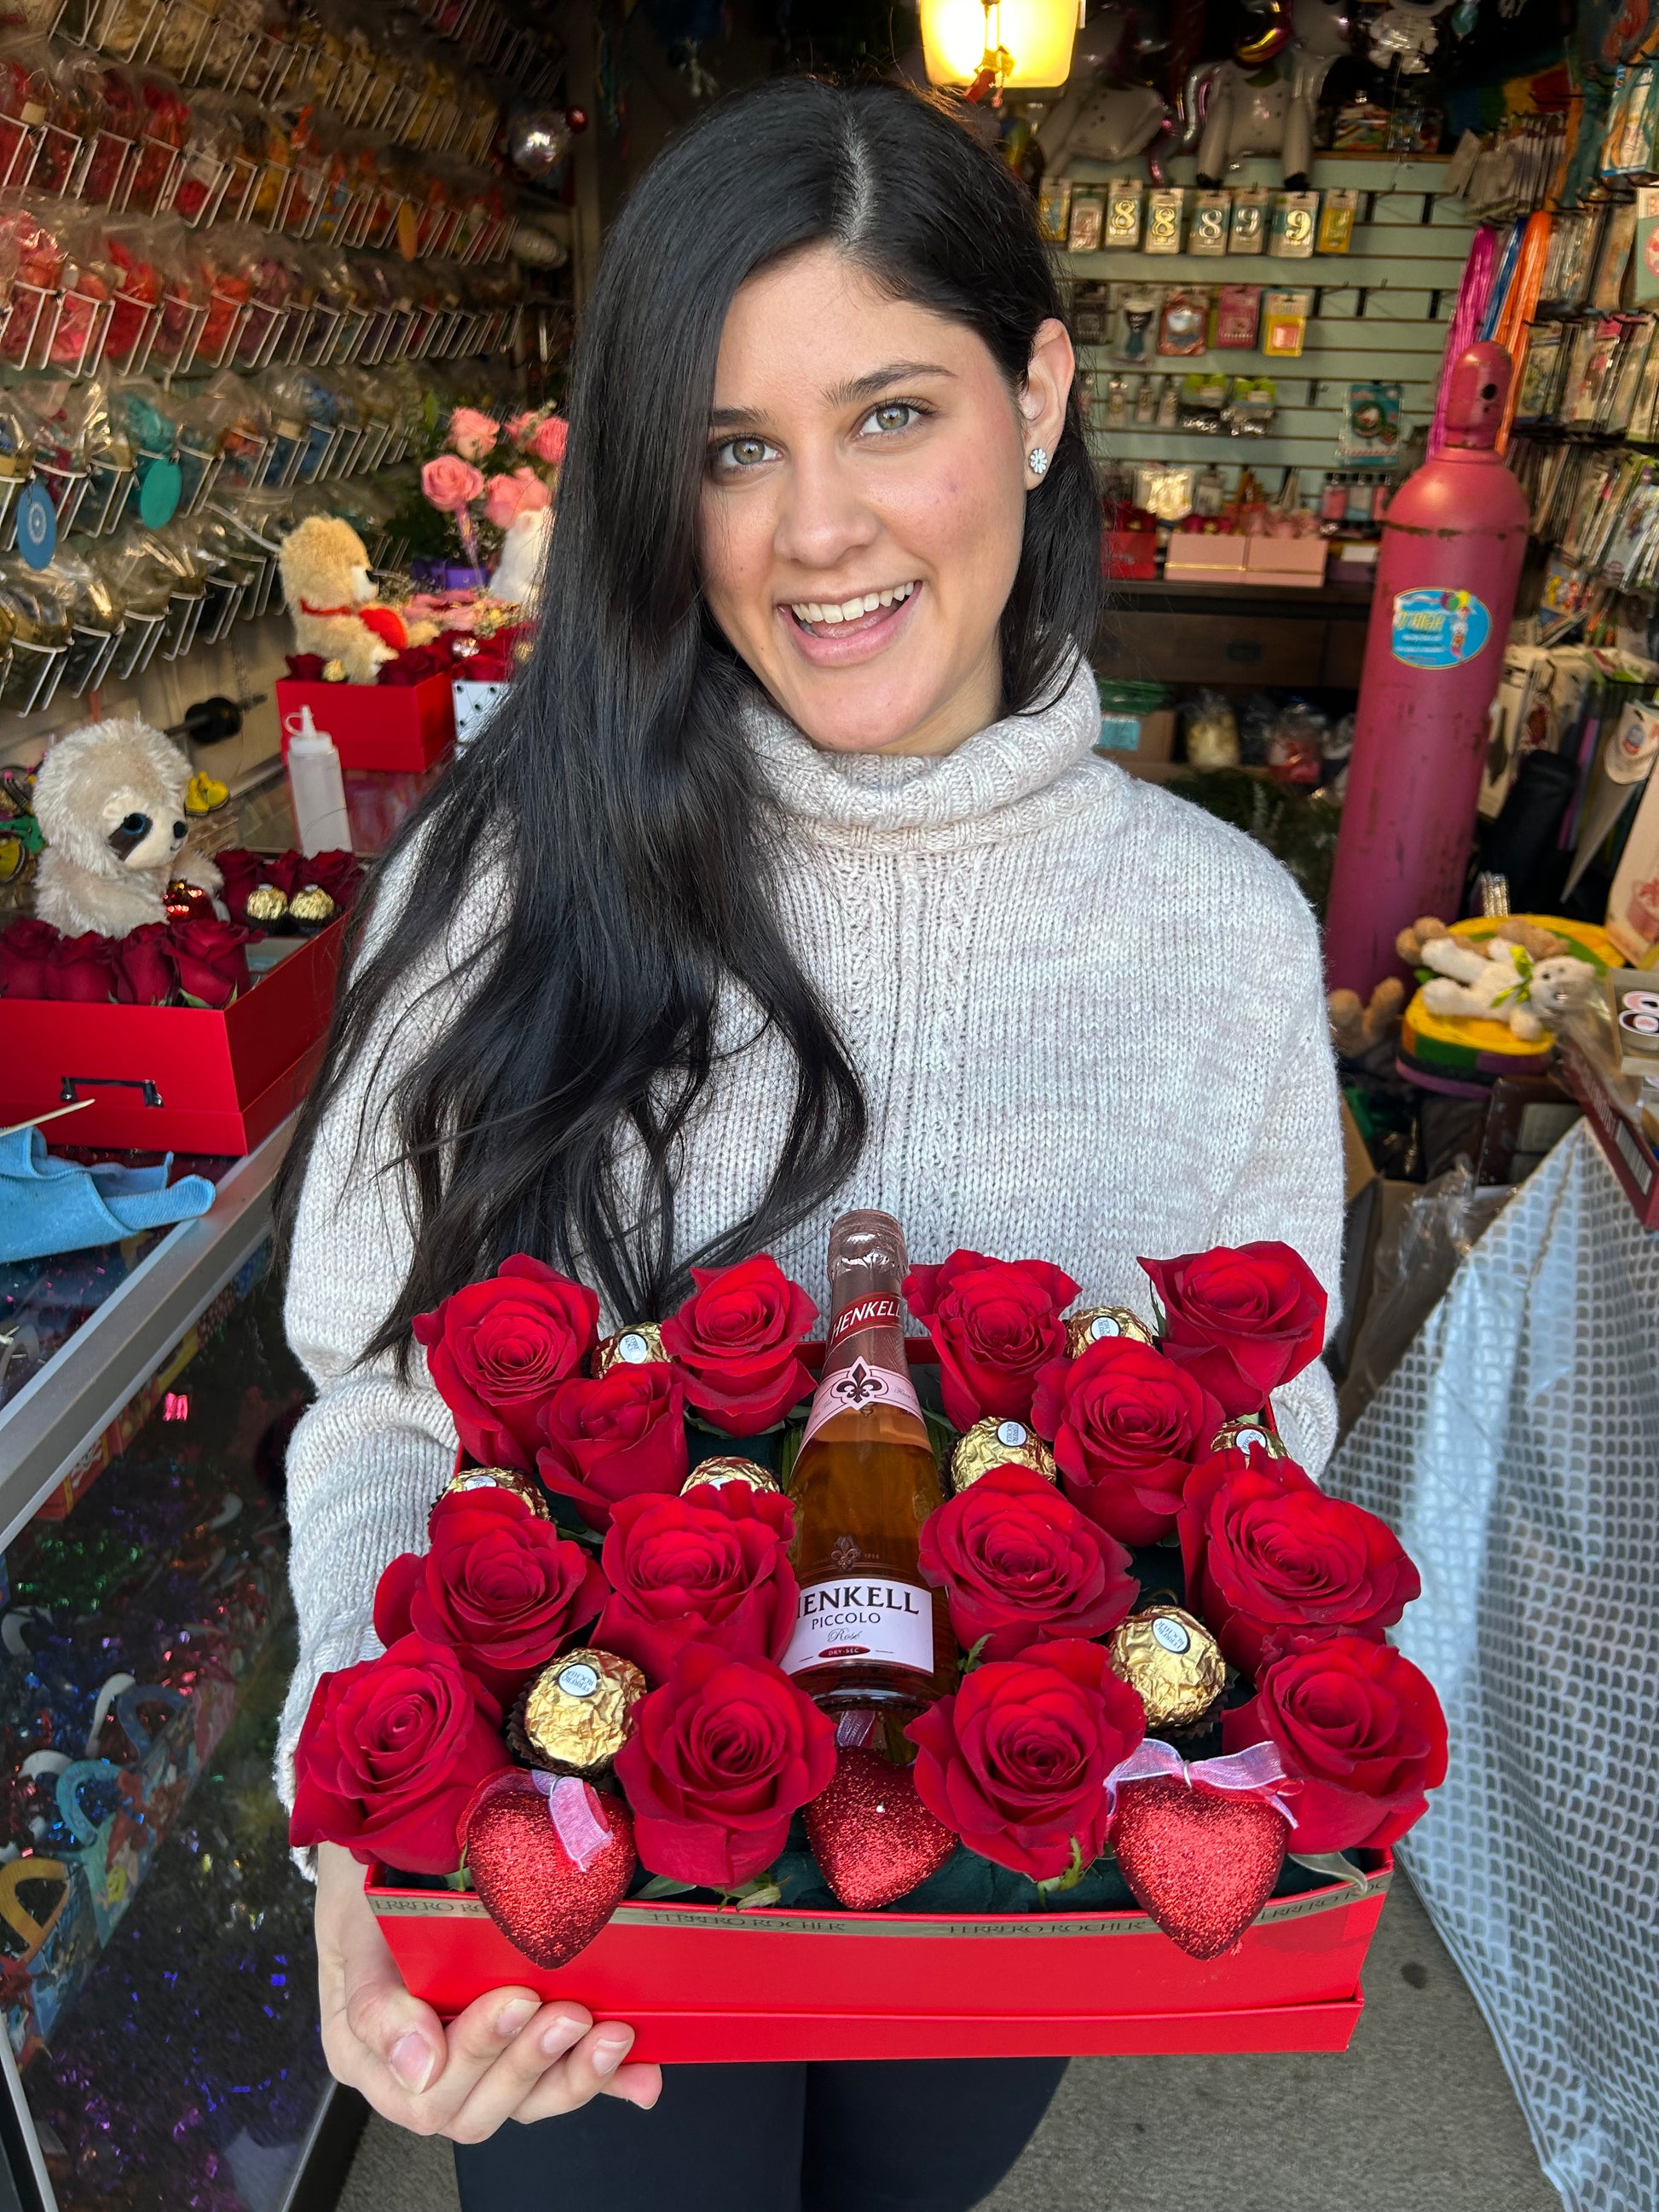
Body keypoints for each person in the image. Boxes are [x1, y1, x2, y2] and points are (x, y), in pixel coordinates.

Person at [275, 73, 1344, 2212]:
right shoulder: (501, 880)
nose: (816, 530)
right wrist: (357, 1850)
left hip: (1003, 1857)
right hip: (586, 1910)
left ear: (1037, 401)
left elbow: (1269, 1419)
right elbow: (379, 1396)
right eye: (732, 449)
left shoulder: (1221, 931)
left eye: (890, 415)